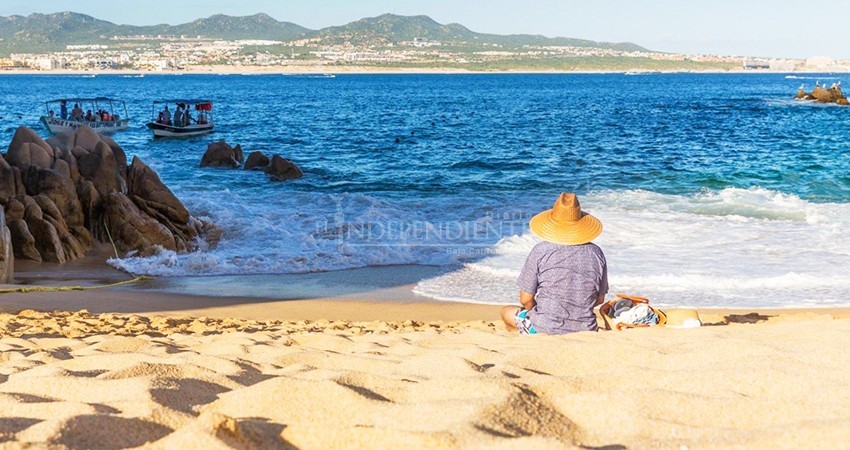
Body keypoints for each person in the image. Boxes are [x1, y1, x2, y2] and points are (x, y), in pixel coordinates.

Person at [500, 193, 608, 335]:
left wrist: (539, 312)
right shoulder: (596, 252)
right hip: (586, 330)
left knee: (506, 312)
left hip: (544, 328)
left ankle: (523, 337)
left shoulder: (541, 250)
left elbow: (525, 299)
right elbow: (599, 299)